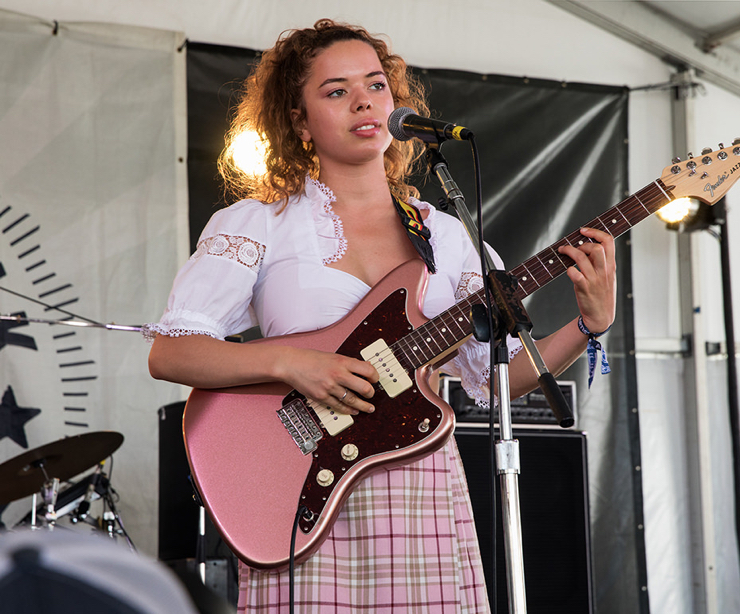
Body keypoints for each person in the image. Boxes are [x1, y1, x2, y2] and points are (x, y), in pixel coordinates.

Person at [147, 18, 616, 613]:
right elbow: (171, 352)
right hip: (301, 489)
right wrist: (292, 363)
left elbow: (495, 379)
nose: (364, 101)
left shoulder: (446, 236)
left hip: (418, 483)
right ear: (299, 120)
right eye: (336, 90)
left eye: (375, 84)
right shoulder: (260, 222)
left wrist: (587, 326)